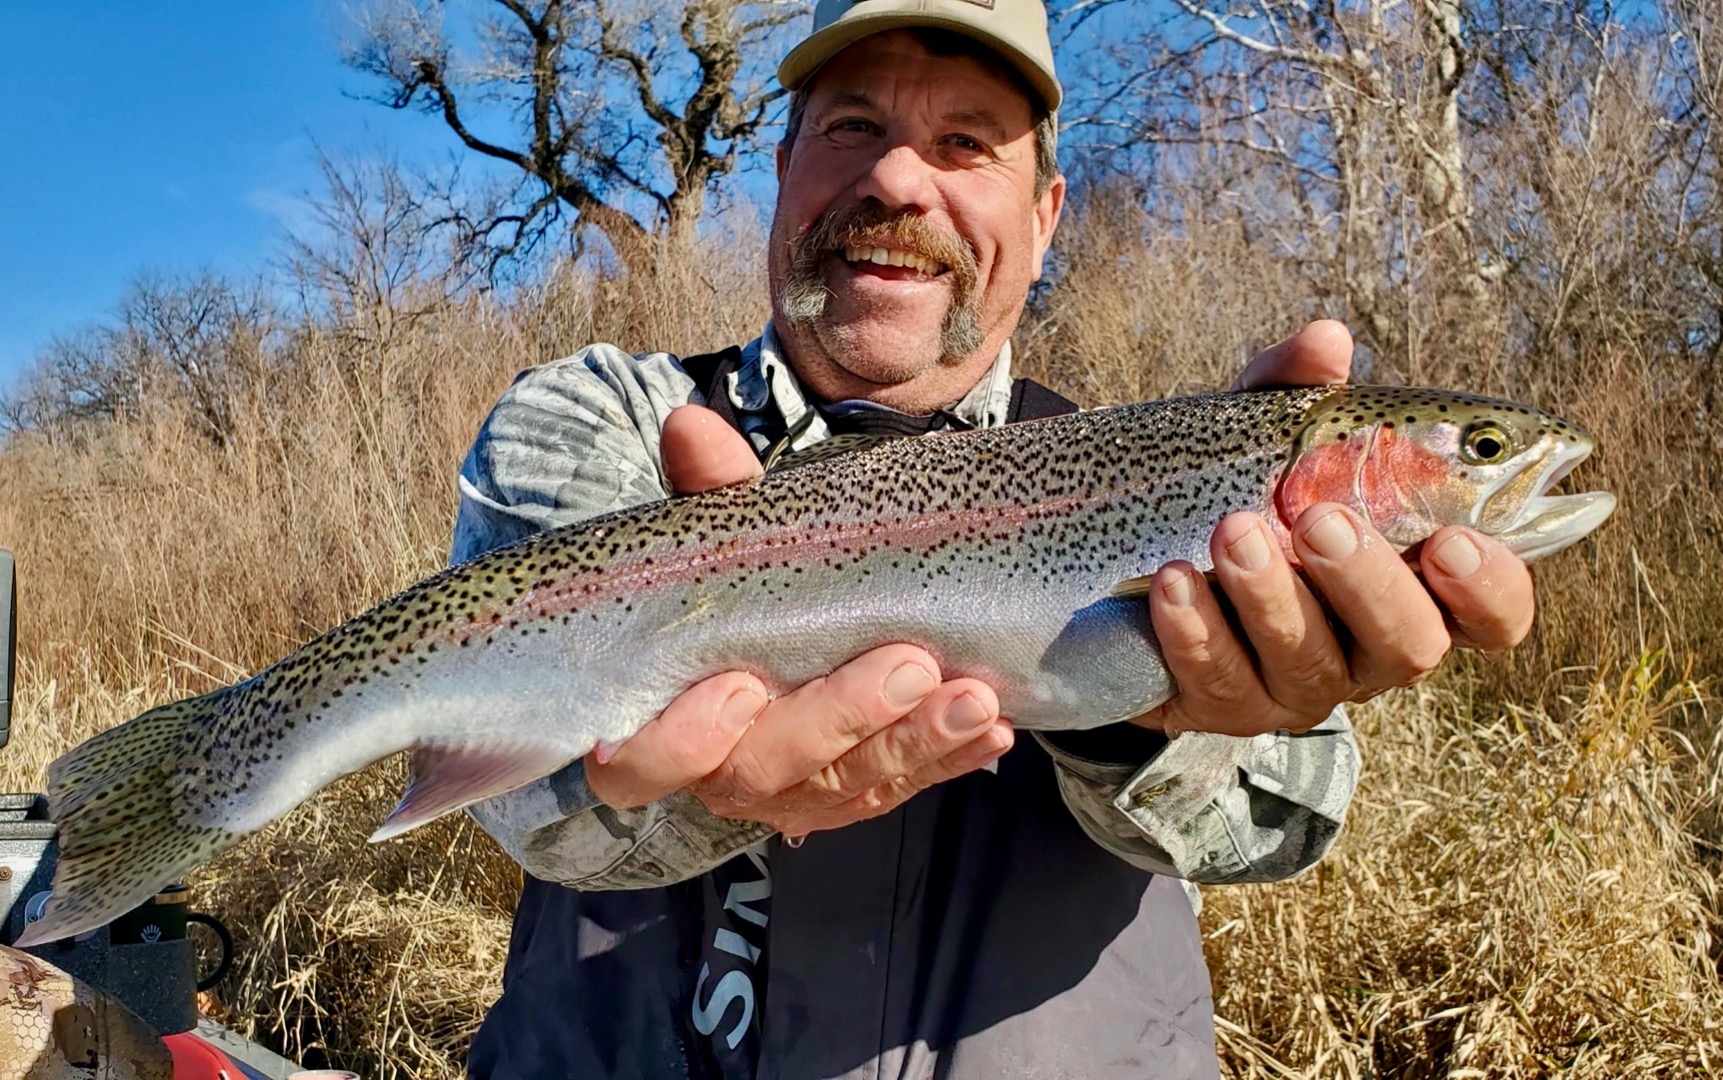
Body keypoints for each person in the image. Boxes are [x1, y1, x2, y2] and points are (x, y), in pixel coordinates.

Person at [452, 1, 1537, 1076]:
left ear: (1046, 214)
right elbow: (506, 782)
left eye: (965, 142)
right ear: (781, 168)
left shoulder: (1159, 469)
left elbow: (1286, 820)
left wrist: (1154, 708)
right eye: (851, 129)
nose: (897, 181)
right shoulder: (606, 423)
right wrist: (696, 789)